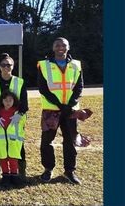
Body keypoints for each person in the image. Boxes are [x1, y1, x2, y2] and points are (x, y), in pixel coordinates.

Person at [37, 37, 84, 184]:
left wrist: (70, 105)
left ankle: (69, 171)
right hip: (51, 109)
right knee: (47, 142)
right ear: (53, 48)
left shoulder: (76, 65)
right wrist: (59, 104)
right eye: (57, 45)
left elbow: (79, 87)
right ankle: (48, 169)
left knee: (70, 141)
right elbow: (43, 88)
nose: (60, 48)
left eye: (63, 45)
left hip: (70, 111)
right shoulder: (43, 65)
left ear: (68, 47)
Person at [0, 53, 29, 182]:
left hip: (16, 120)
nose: (6, 67)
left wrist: (20, 114)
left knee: (18, 145)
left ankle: (21, 171)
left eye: (9, 65)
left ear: (13, 66)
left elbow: (24, 102)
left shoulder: (19, 82)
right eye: (3, 65)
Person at [0, 90, 26, 187]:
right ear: (1, 101)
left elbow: (22, 126)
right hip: (0, 141)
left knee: (13, 158)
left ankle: (15, 175)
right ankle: (5, 175)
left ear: (14, 101)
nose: (8, 102)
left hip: (13, 141)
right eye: (5, 100)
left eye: (10, 100)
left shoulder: (17, 113)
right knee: (3, 157)